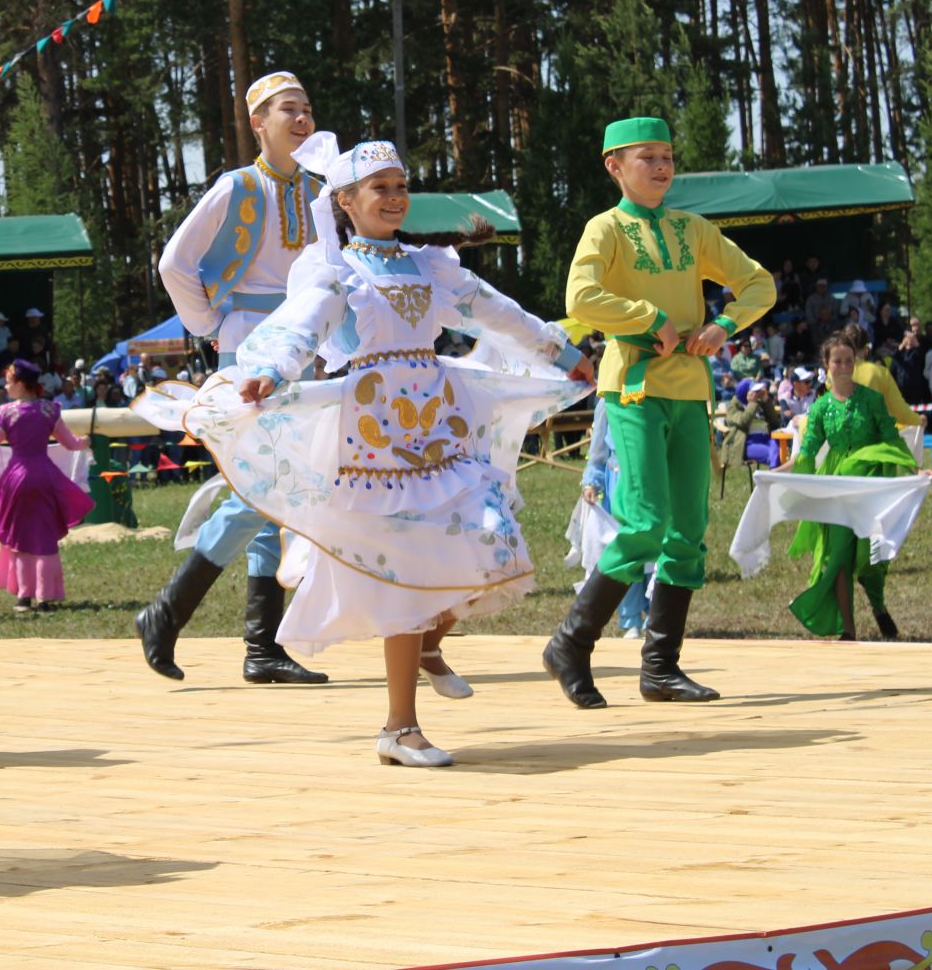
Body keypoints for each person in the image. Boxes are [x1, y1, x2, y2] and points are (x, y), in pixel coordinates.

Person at [183, 134, 592, 765]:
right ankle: (400, 728)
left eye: (401, 186)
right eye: (381, 188)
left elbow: (495, 312)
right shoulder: (337, 270)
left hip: (439, 421)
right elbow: (302, 324)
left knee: (492, 539)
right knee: (405, 572)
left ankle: (431, 642)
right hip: (375, 434)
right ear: (345, 200)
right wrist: (270, 369)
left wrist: (562, 352)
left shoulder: (433, 266)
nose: (395, 197)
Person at [545, 116, 775, 709]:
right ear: (614, 167)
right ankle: (571, 642)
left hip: (689, 390)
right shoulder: (607, 229)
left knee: (689, 532)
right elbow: (580, 297)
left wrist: (724, 325)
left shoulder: (692, 229)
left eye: (668, 155)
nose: (662, 166)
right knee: (645, 520)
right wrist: (650, 320)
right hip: (635, 390)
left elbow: (758, 285)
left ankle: (660, 668)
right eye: (647, 157)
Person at [135, 70, 331, 686]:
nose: (301, 120)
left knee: (281, 490)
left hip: (304, 338)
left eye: (305, 109)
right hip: (249, 340)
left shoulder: (322, 189)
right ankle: (178, 615)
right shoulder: (237, 186)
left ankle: (255, 643)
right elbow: (175, 261)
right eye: (287, 111)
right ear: (258, 123)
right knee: (266, 486)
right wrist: (212, 321)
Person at [786, 335, 916, 639]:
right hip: (837, 486)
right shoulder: (819, 408)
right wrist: (775, 473)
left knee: (869, 556)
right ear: (826, 365)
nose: (844, 366)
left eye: (848, 360)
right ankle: (848, 628)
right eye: (837, 361)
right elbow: (807, 452)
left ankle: (879, 606)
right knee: (839, 555)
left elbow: (890, 437)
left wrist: (915, 468)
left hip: (870, 482)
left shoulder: (871, 399)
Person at [0, 360, 93, 613]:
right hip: (45, 476)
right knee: (46, 539)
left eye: (9, 381)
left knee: (20, 540)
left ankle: (24, 597)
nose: (5, 385)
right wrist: (85, 441)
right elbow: (70, 443)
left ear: (21, 384)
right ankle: (45, 598)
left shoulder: (4, 414)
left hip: (17, 478)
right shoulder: (49, 410)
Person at [579, 407, 651, 636]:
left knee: (653, 548)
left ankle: (655, 613)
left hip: (651, 481)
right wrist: (592, 480)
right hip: (618, 483)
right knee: (625, 549)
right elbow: (598, 447)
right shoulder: (608, 398)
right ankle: (630, 618)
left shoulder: (658, 388)